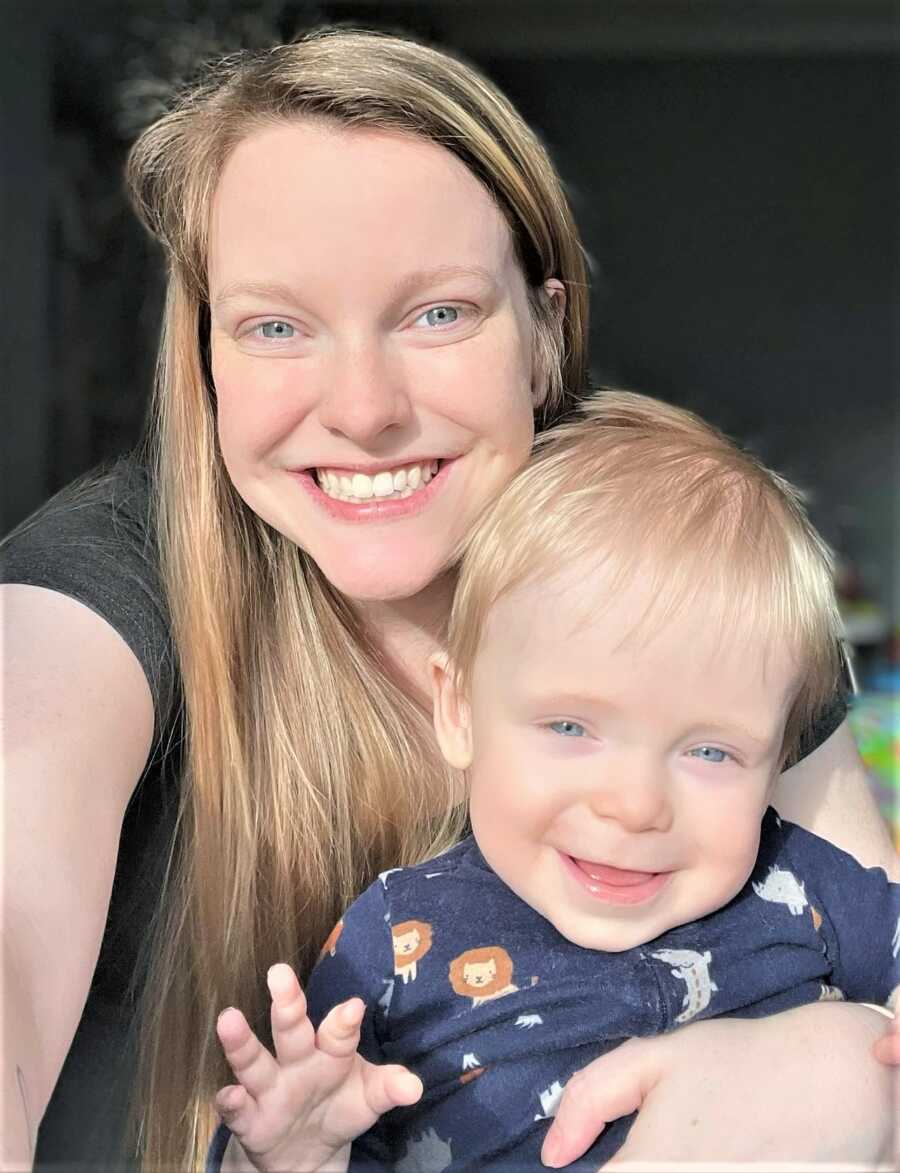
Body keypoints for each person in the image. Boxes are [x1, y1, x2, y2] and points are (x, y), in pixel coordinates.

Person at [2, 26, 896, 1173]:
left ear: (544, 334)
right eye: (277, 326)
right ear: (208, 359)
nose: (364, 408)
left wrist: (826, 1064)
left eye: (438, 314)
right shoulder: (109, 580)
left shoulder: (680, 582)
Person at [206, 391, 899, 1171]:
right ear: (459, 708)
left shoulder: (798, 885)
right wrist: (292, 1153)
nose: (634, 806)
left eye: (710, 752)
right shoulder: (394, 940)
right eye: (571, 728)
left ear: (779, 757)